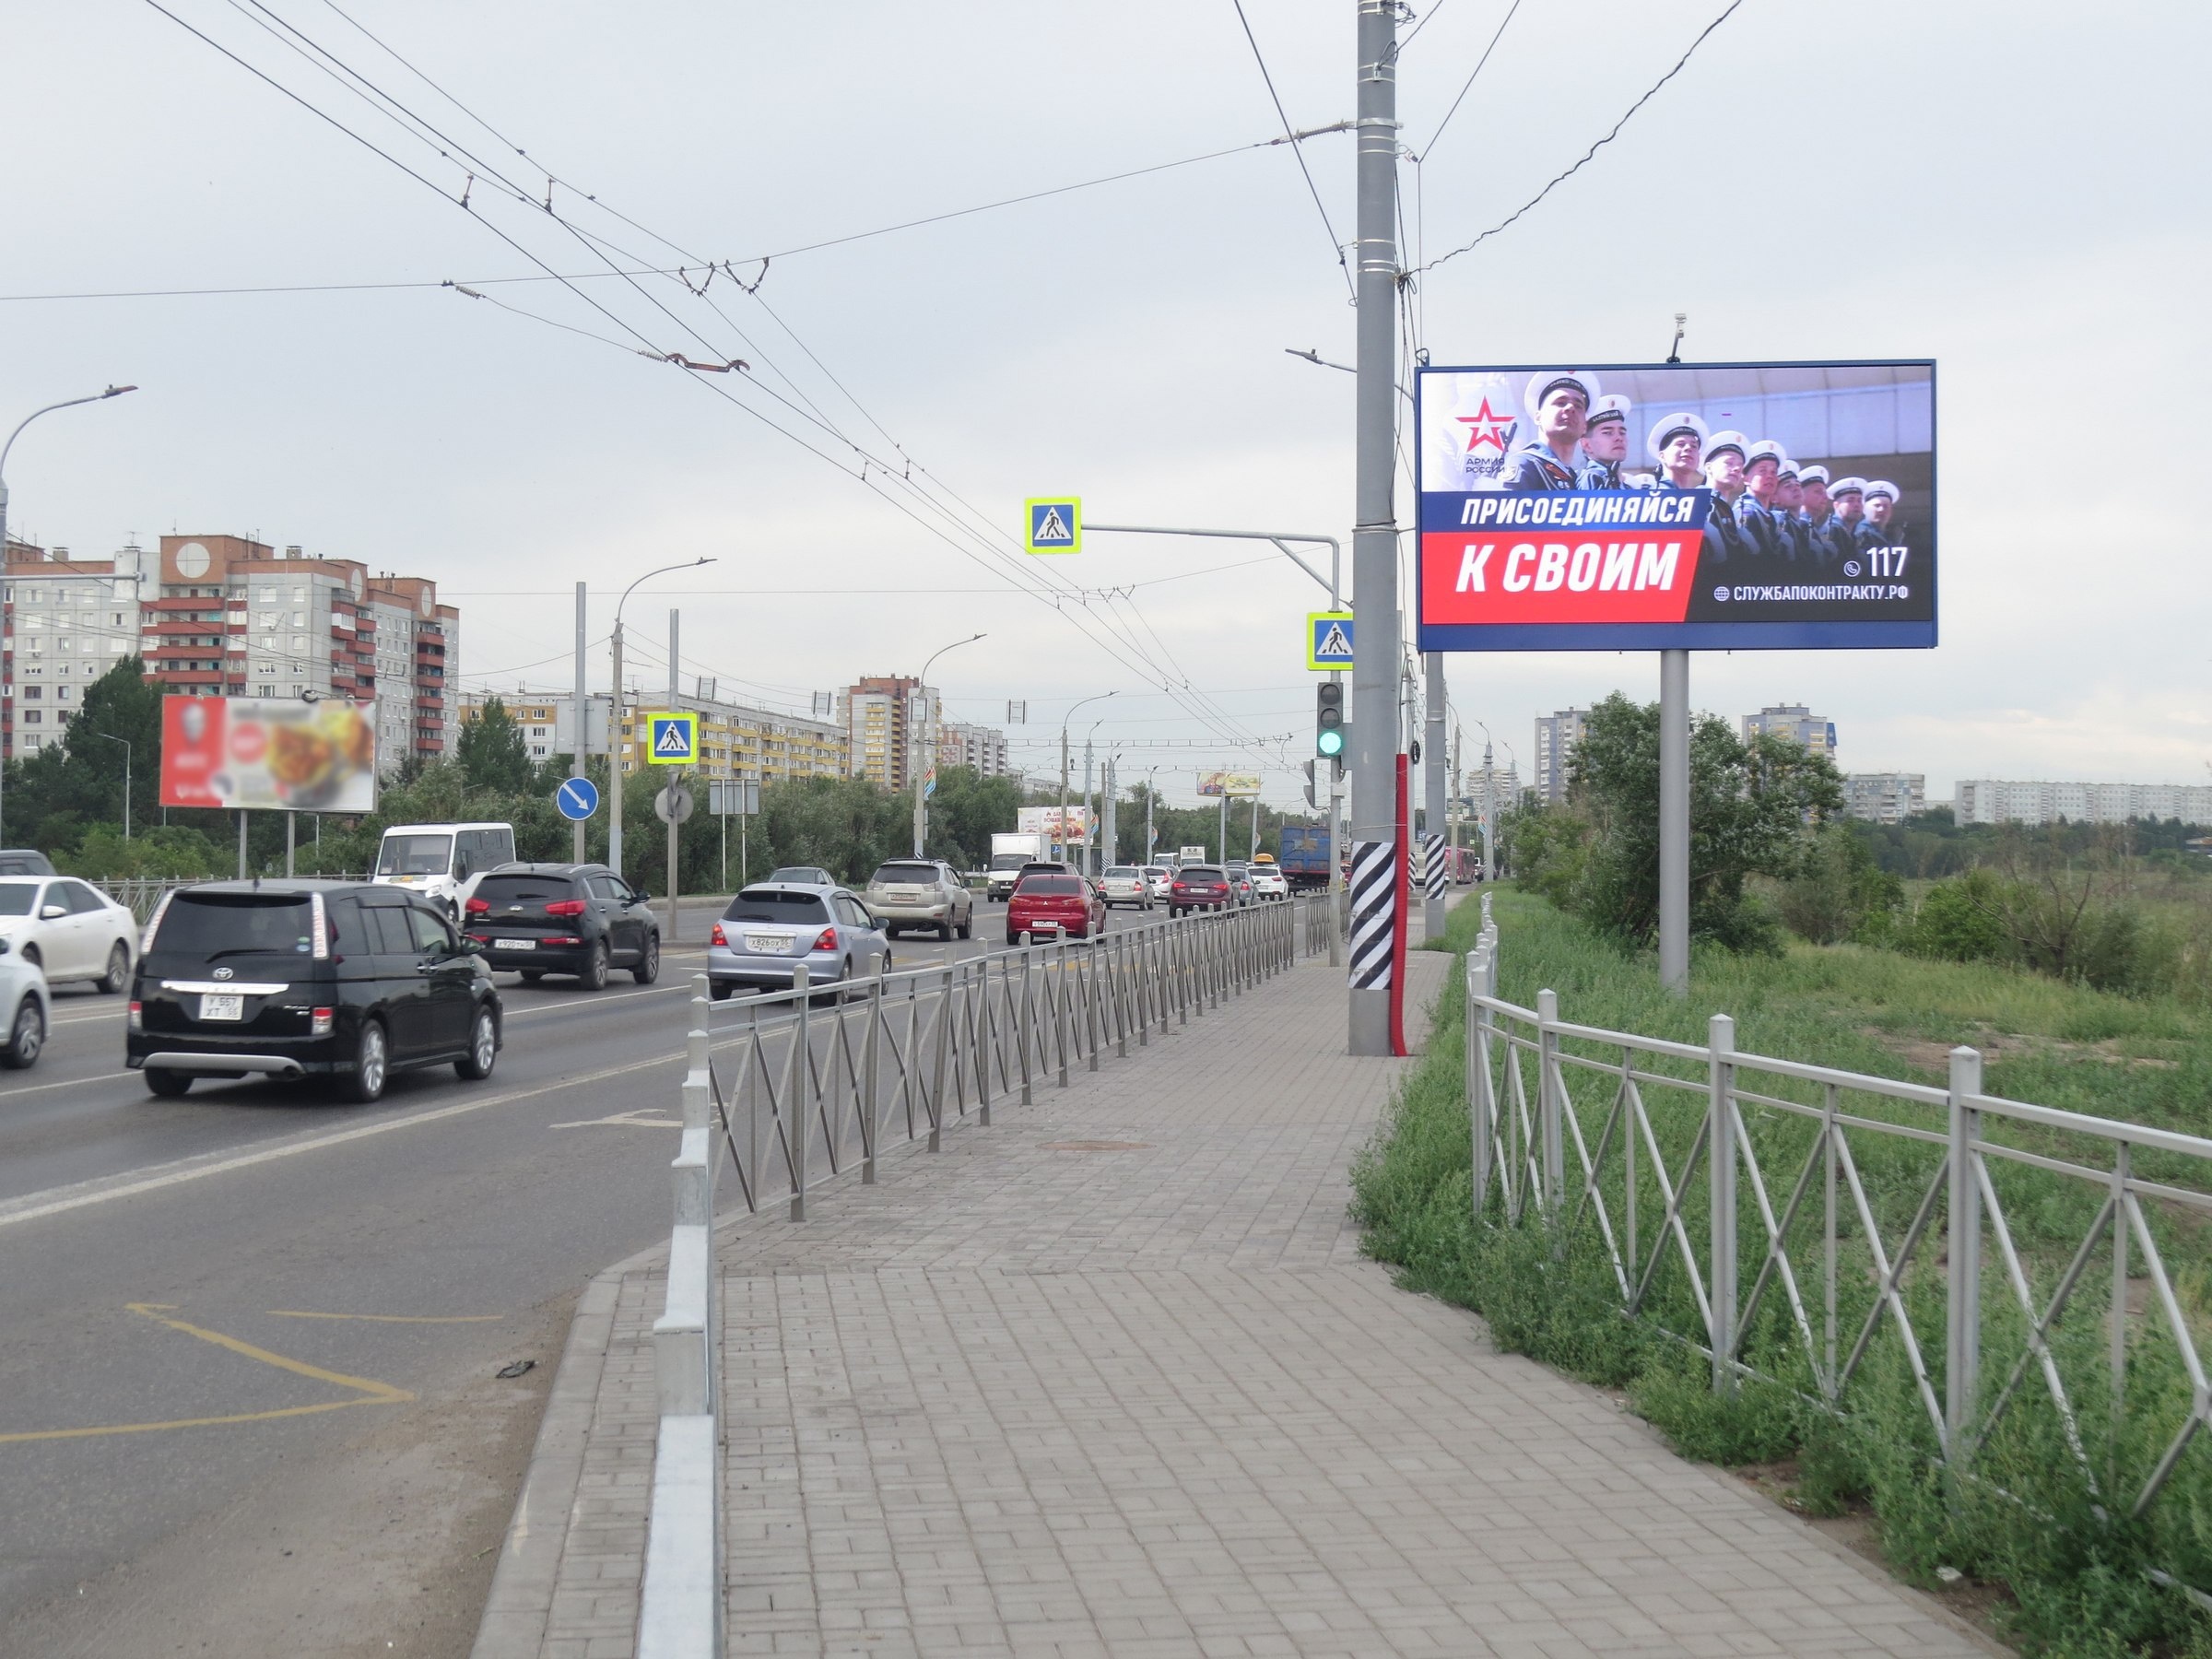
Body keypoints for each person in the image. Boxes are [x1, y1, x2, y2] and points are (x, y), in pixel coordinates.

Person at [1501, 371, 1597, 491]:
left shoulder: (1575, 478)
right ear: (1538, 417)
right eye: (1560, 403)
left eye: (1578, 406)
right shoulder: (1525, 464)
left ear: (1585, 426)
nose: (1570, 407)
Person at [1700, 430, 1755, 563]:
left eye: (1740, 466)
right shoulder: (1699, 503)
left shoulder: (1724, 507)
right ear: (1708, 468)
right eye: (1729, 463)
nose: (1736, 469)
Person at [1738, 440, 1789, 559]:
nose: (1770, 476)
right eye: (1762, 471)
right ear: (1746, 479)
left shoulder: (1767, 515)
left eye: (1774, 472)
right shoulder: (1747, 511)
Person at [1576, 394, 1635, 488]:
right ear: (1586, 444)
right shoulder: (1593, 478)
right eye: (1608, 433)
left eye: (1622, 432)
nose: (1619, 438)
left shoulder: (1624, 485)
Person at [1646, 410, 1708, 493]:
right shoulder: (1652, 495)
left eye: (1694, 446)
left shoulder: (1704, 501)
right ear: (1662, 456)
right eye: (1681, 444)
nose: (1688, 448)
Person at [1795, 465, 1836, 567]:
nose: (1825, 497)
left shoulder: (1812, 526)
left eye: (1825, 493)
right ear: (1801, 495)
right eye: (1818, 492)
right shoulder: (1798, 525)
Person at [1827, 477, 1869, 563]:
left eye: (1859, 500)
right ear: (1836, 505)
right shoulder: (1831, 530)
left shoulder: (1852, 533)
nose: (1856, 505)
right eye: (1850, 500)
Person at [1864, 479, 1907, 554]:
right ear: (1864, 509)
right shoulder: (1861, 534)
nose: (1881, 510)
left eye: (1886, 506)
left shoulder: (1886, 535)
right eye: (1877, 506)